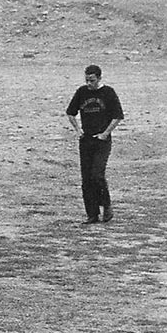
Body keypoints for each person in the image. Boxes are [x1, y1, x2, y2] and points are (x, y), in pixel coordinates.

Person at [66, 64, 124, 224]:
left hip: (102, 141)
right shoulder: (82, 92)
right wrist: (78, 130)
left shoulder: (108, 93)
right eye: (87, 80)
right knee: (86, 179)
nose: (89, 84)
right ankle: (92, 214)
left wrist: (106, 133)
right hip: (86, 140)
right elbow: (70, 112)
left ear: (99, 78)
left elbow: (118, 116)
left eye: (92, 80)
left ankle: (106, 206)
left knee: (97, 175)